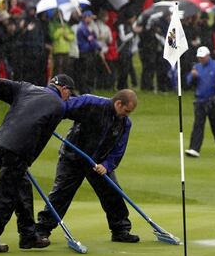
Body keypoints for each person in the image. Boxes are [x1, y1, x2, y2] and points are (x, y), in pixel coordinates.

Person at [0, 74, 74, 253]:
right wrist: (27, 159)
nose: (69, 97)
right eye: (69, 93)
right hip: (18, 151)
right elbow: (41, 139)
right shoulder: (58, 106)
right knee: (6, 197)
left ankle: (28, 236)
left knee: (22, 189)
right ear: (63, 89)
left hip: (0, 143)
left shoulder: (26, 88)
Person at [36, 89, 141, 243]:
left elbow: (119, 149)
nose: (127, 115)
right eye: (126, 111)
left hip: (98, 162)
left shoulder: (125, 123)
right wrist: (49, 120)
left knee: (113, 193)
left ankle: (120, 230)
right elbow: (63, 108)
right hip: (72, 158)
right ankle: (41, 230)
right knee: (61, 194)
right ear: (118, 103)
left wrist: (106, 165)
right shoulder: (91, 103)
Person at [185, 46, 215, 158]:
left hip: (214, 100)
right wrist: (192, 76)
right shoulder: (197, 67)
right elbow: (188, 82)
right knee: (198, 125)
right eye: (199, 58)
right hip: (200, 100)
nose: (201, 59)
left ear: (208, 56)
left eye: (202, 57)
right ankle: (194, 148)